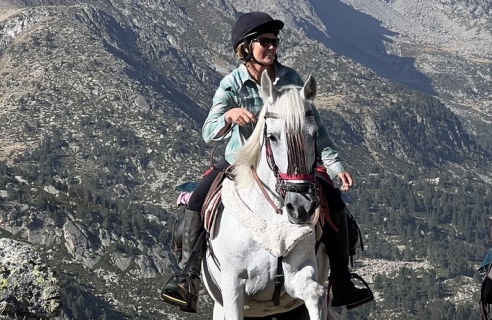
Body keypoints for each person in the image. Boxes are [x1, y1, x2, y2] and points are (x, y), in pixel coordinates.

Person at [160, 11, 374, 312]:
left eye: (275, 41)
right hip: (241, 161)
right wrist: (228, 116)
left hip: (291, 164)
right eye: (265, 41)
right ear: (247, 46)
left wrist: (336, 167)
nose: (272, 47)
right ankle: (188, 278)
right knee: (198, 199)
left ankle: (342, 281)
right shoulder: (232, 84)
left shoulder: (291, 80)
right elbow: (208, 130)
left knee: (334, 204)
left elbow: (316, 132)